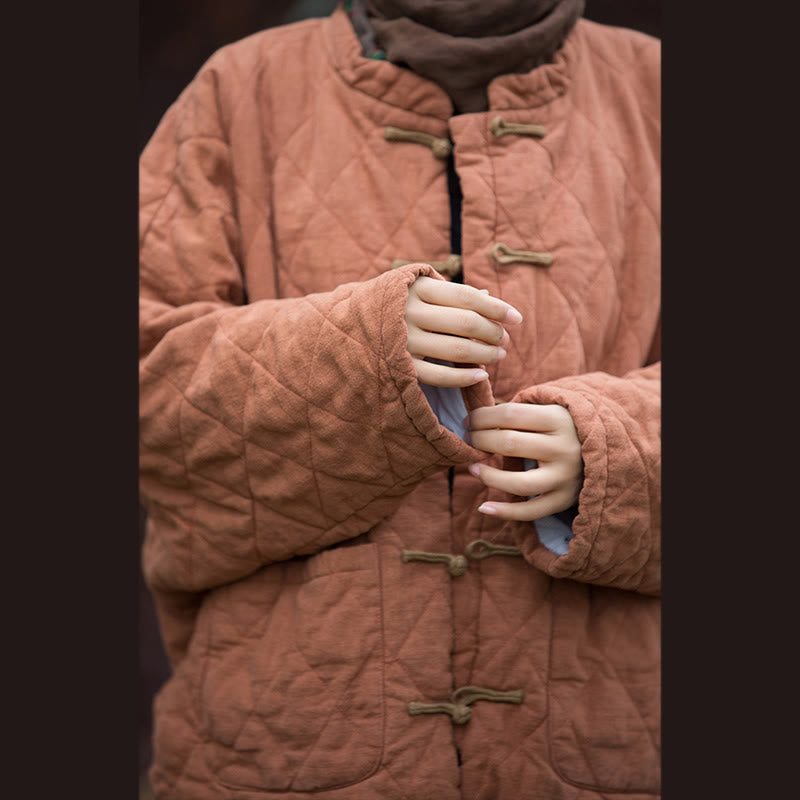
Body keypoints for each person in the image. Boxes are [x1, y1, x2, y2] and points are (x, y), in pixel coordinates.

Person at [139, 1, 661, 798]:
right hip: (281, 748)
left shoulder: (659, 89)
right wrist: (358, 357)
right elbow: (148, 400)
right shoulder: (238, 89)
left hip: (613, 748)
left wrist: (619, 456)